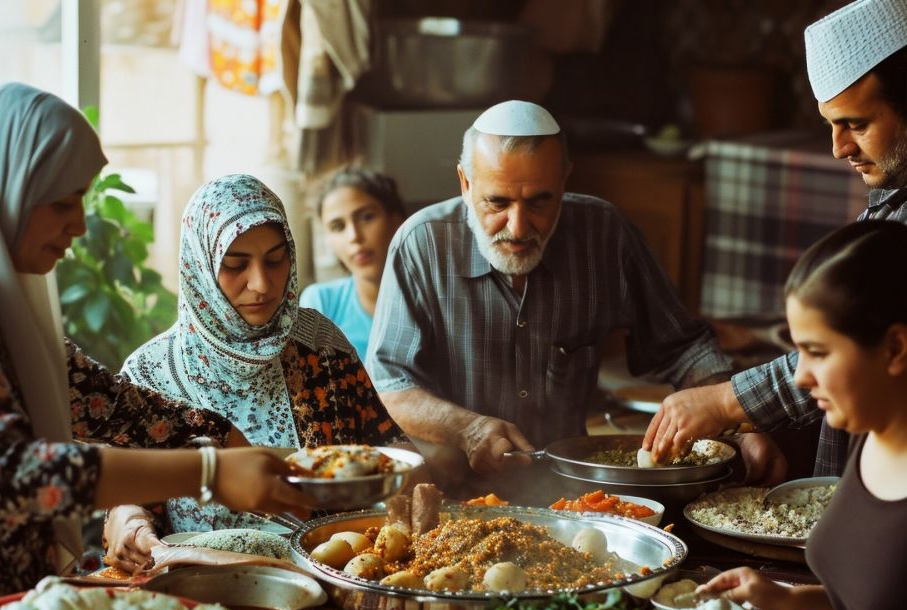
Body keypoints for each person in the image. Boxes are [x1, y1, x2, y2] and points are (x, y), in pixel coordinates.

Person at [0, 84, 313, 610]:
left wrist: (216, 435)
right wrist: (208, 473)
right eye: (60, 203)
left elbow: (92, 398)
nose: (78, 224)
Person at [364, 99, 766, 498]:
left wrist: (738, 425)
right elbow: (389, 384)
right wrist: (467, 430)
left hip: (571, 491)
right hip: (451, 491)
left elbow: (684, 347)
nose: (518, 227)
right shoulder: (422, 244)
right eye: (497, 202)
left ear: (564, 181)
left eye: (539, 201)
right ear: (466, 184)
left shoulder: (604, 234)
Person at [644, 0, 907, 476]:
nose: (839, 148)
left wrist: (729, 401)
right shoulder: (892, 189)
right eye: (831, 124)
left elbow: (854, 347)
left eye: (857, 124)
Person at [104, 173, 413, 569]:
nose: (262, 284)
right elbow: (125, 493)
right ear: (200, 265)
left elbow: (389, 448)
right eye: (235, 265)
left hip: (330, 577)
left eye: (275, 259)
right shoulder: (150, 372)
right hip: (197, 582)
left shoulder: (320, 344)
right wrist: (128, 520)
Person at [694, 221, 907, 610]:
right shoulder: (869, 437)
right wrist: (789, 601)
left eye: (819, 351)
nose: (799, 376)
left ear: (895, 348)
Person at [299, 167, 405, 360]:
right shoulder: (320, 304)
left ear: (396, 221)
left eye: (366, 217)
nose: (354, 236)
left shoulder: (433, 298)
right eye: (338, 226)